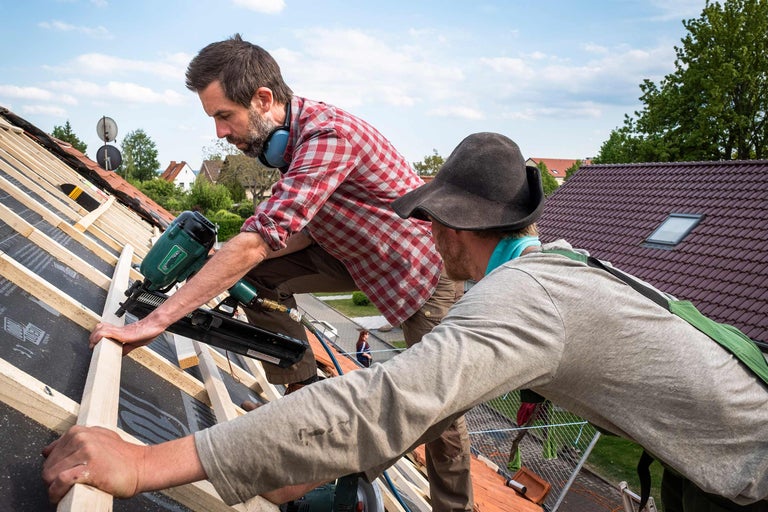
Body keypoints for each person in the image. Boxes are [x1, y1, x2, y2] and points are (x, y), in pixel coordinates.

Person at [43, 133, 768, 511]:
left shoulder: (522, 301)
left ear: (455, 225)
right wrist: (296, 464)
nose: (425, 234)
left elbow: (381, 401)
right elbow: (423, 402)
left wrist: (144, 463)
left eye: (430, 220)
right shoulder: (558, 270)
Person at [86, 34, 472, 510]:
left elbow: (260, 238)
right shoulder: (286, 144)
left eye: (224, 115)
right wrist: (222, 263)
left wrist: (156, 319)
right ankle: (304, 396)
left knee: (441, 404)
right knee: (261, 279)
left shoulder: (328, 136)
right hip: (350, 254)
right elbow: (295, 231)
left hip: (416, 271)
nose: (220, 131)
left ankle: (453, 506)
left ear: (264, 99)